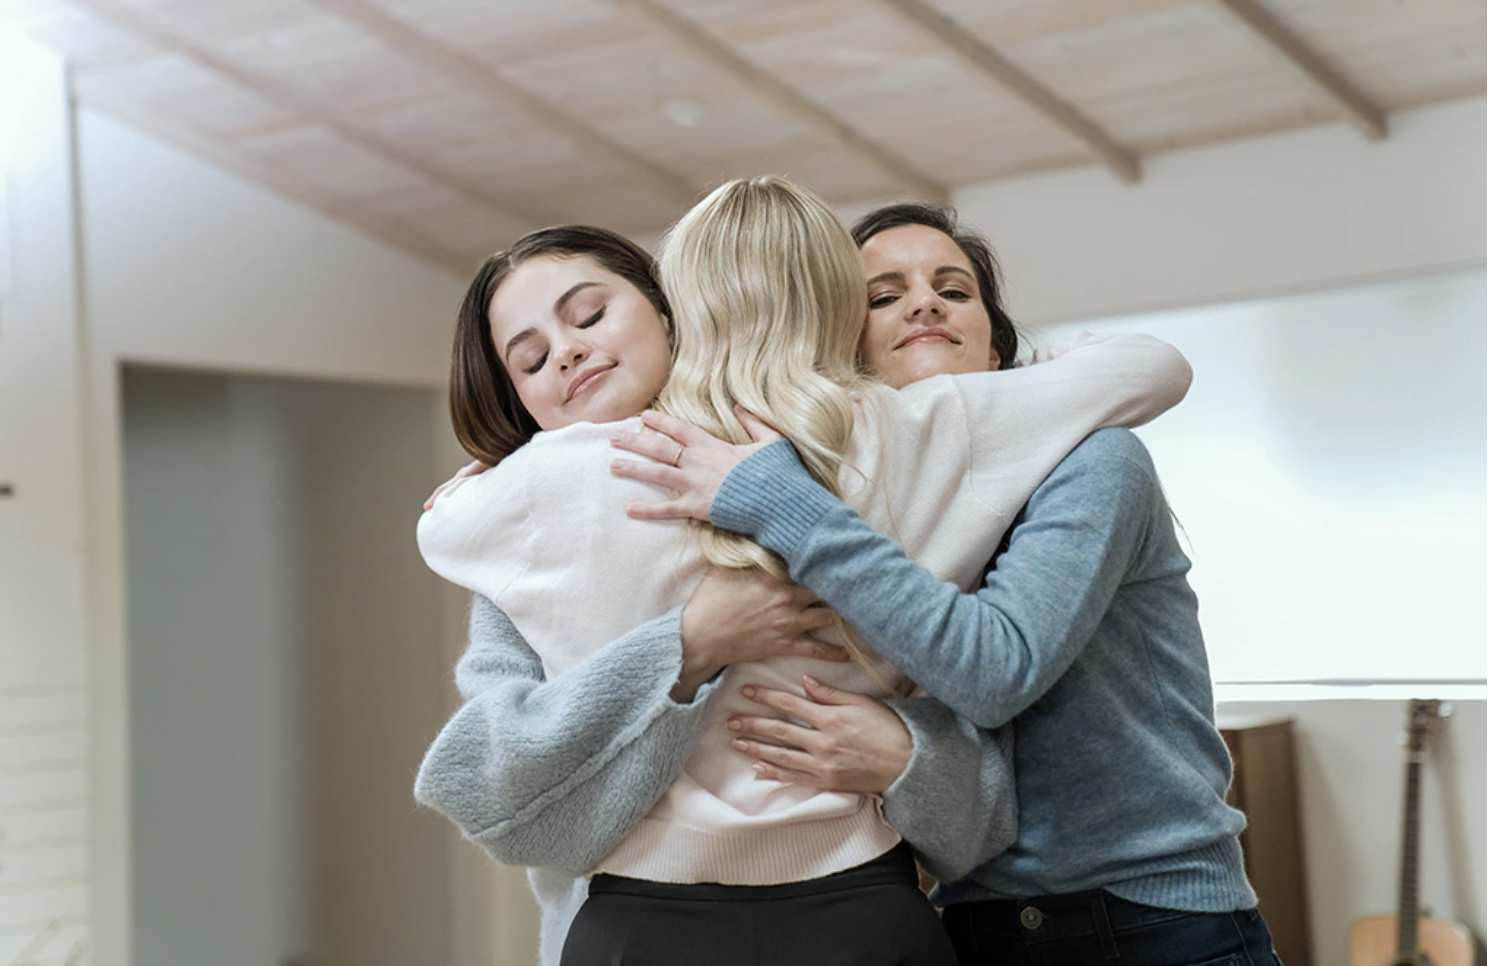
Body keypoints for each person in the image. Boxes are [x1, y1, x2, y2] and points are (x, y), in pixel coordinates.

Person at [415, 178, 1192, 966]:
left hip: (668, 909)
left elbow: (440, 529)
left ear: (673, 306)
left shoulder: (528, 496)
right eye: (531, 359)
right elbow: (1149, 368)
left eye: (588, 316)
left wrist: (484, 481)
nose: (569, 351)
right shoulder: (915, 433)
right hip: (858, 900)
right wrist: (687, 642)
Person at [608, 202, 1280, 966]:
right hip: (971, 918)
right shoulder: (857, 496)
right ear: (839, 350)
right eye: (883, 296)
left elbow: (996, 671)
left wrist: (778, 501)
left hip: (1149, 916)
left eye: (954, 290)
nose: (925, 303)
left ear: (995, 350)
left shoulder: (1094, 461)